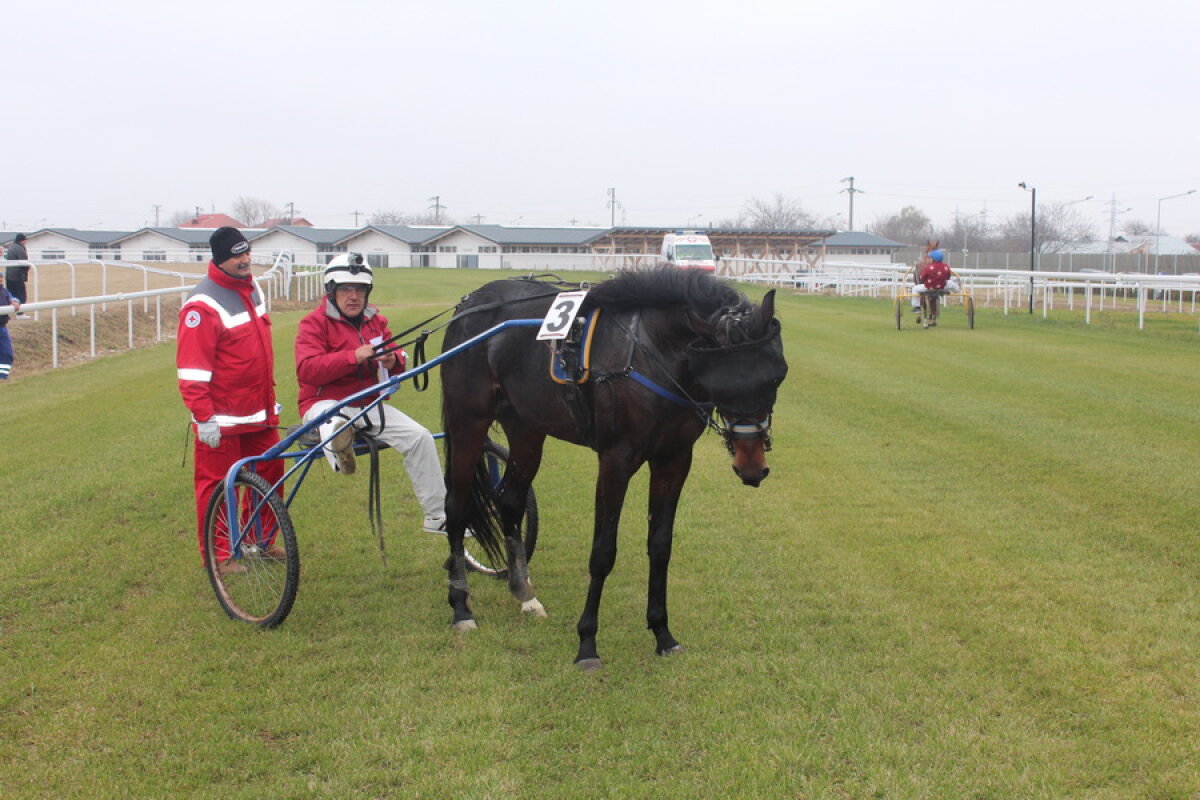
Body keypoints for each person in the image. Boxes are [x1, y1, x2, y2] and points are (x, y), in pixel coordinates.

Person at [295, 253, 450, 534]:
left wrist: (393, 360)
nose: (353, 296)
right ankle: (337, 441)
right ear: (331, 291)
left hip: (368, 404)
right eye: (346, 289)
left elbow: (397, 355)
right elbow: (307, 370)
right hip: (323, 404)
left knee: (420, 437)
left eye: (360, 289)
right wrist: (352, 357)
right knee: (333, 420)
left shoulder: (375, 321)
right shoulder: (313, 323)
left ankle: (437, 516)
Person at [176, 227, 283, 573]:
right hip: (221, 422)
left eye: (246, 252)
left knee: (270, 476)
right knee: (218, 487)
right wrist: (204, 417)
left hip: (259, 414)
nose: (245, 260)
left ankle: (261, 541)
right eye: (237, 255)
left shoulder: (252, 287)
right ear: (220, 259)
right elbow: (192, 371)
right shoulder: (201, 305)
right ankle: (219, 555)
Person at [914, 249, 960, 328]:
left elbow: (922, 279)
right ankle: (958, 290)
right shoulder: (946, 267)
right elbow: (948, 277)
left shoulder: (928, 267)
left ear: (933, 259)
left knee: (915, 289)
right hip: (942, 287)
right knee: (951, 283)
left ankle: (917, 307)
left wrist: (927, 282)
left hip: (929, 288)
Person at [5, 233, 32, 319]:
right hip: (17, 276)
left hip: (9, 275)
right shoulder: (20, 248)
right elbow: (24, 262)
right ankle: (20, 314)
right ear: (22, 240)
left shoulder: (10, 247)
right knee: (21, 295)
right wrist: (27, 268)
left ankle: (9, 312)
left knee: (11, 295)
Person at [0, 271, 20, 379]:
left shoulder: (4, 291)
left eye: (1, 277)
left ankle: (2, 377)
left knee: (7, 353)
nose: (1, 279)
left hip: (2, 327)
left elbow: (13, 298)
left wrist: (15, 302)